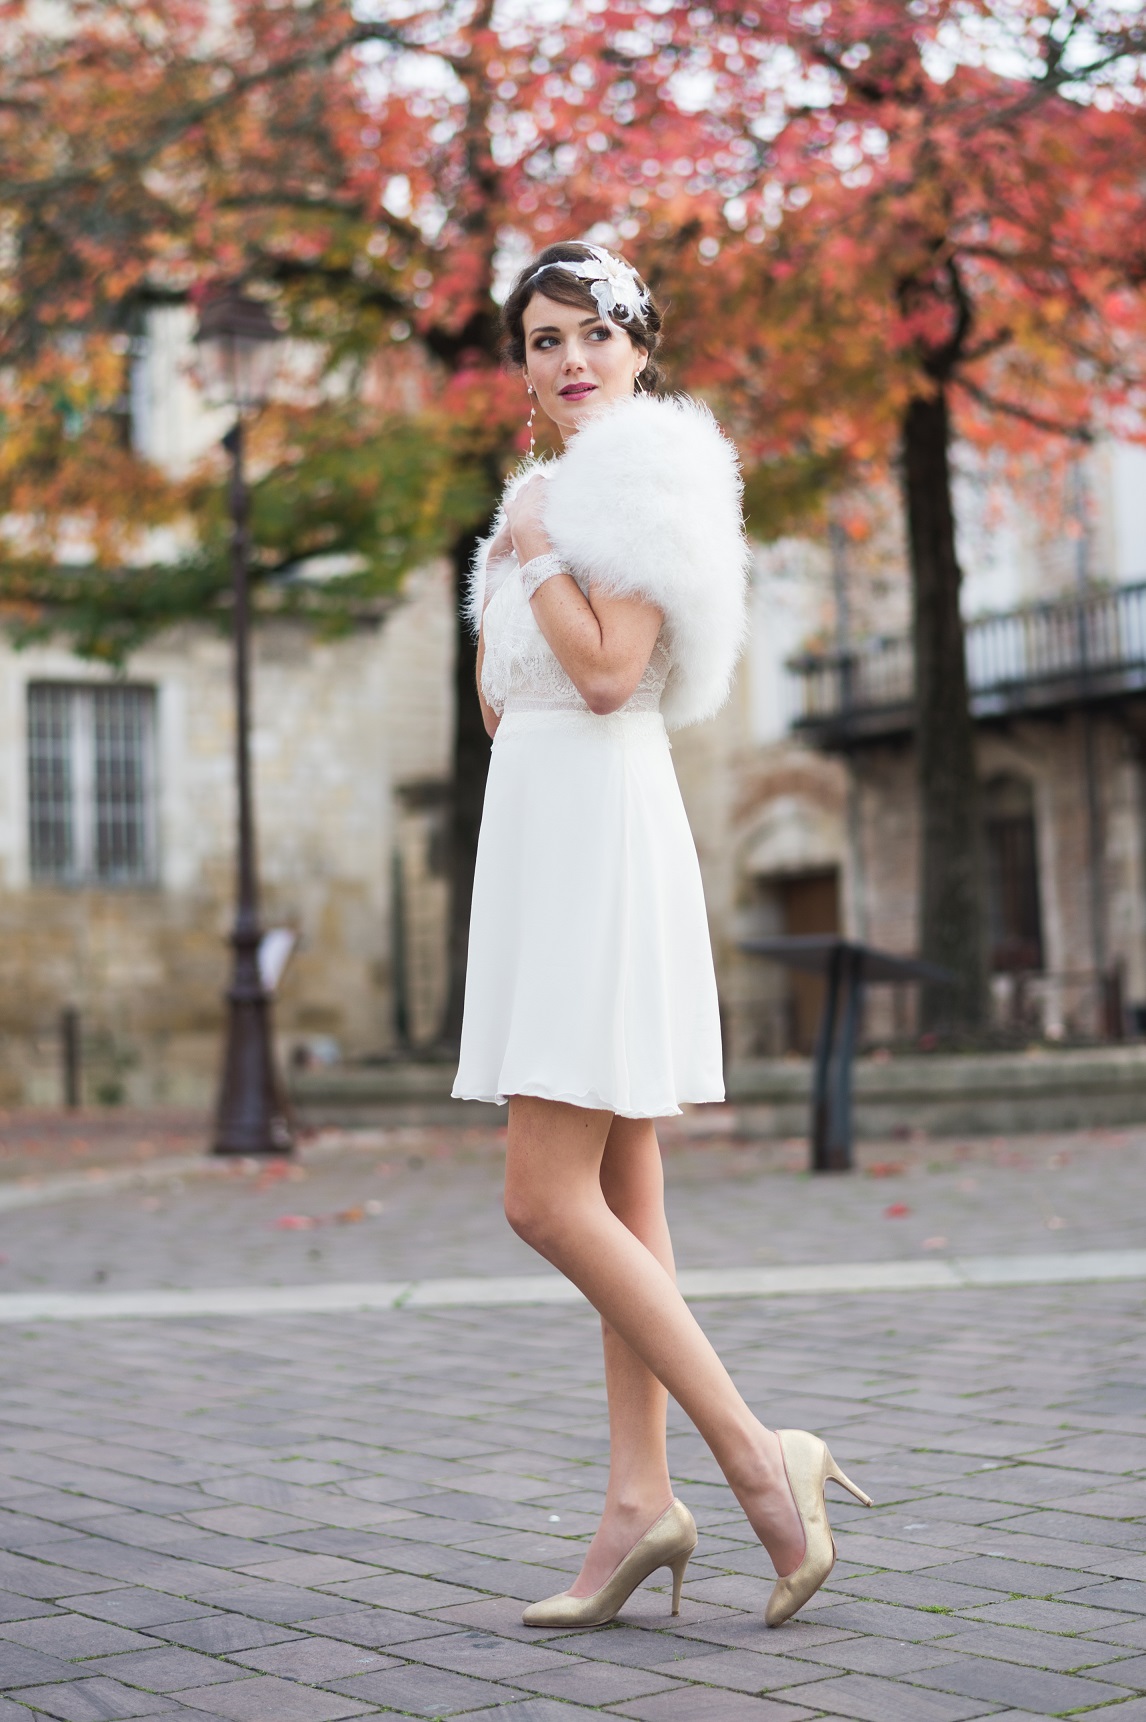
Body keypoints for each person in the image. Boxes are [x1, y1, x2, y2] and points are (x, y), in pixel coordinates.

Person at [452, 240, 871, 1631]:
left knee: (541, 1198)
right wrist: (522, 555)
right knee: (627, 1195)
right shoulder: (546, 493)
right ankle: (639, 1500)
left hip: (596, 842)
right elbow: (507, 698)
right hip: (544, 832)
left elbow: (608, 669)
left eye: (593, 333)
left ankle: (757, 1458)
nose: (568, 359)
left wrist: (533, 551)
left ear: (640, 345)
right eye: (542, 340)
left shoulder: (633, 480)